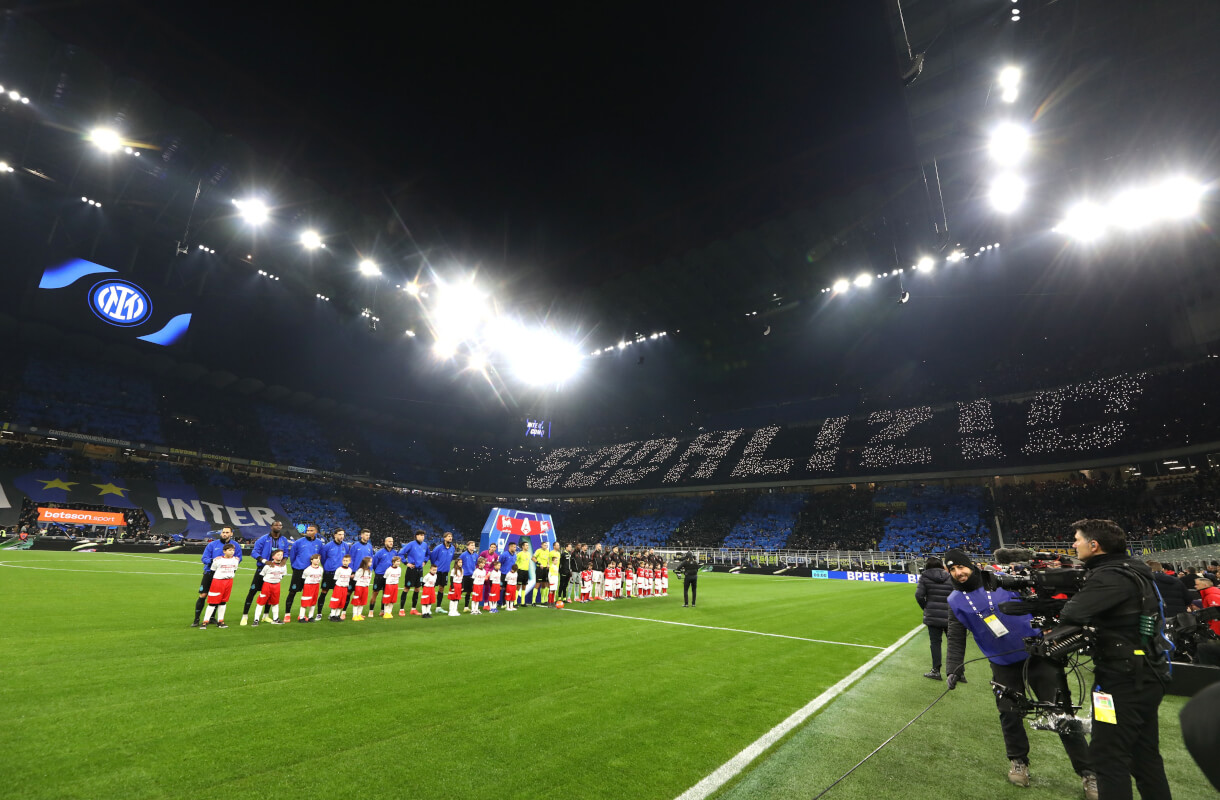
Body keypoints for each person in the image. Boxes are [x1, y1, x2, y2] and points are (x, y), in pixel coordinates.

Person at [943, 548, 1095, 797]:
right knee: (1009, 714)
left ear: (971, 565)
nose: (958, 573)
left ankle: (1089, 773)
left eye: (961, 567)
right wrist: (953, 668)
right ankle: (1018, 762)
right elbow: (956, 635)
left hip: (1038, 656)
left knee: (1061, 713)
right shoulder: (954, 601)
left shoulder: (1003, 579)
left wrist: (1046, 627)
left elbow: (1039, 606)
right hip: (1002, 663)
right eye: (952, 569)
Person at [1060, 520, 1172, 800]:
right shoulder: (1132, 569)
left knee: (1108, 756)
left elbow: (1072, 612)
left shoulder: (1110, 575)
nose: (1074, 544)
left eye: (1077, 539)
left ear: (1094, 545)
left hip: (1122, 680)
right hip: (1145, 673)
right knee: (1144, 756)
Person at [192, 526, 242, 627]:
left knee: (219, 597)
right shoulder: (212, 544)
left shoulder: (236, 546)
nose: (224, 534)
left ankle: (212, 618)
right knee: (203, 595)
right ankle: (196, 619)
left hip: (223, 575)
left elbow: (239, 559)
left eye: (227, 532)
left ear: (231, 534)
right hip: (210, 573)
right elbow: (204, 558)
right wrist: (213, 561)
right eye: (223, 532)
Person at [240, 519, 288, 626]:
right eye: (276, 525)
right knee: (252, 592)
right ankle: (245, 616)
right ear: (271, 527)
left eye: (280, 525)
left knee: (270, 594)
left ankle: (266, 616)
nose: (279, 526)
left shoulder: (284, 540)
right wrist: (265, 561)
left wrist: (284, 561)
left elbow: (286, 553)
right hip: (262, 569)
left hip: (275, 571)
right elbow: (254, 552)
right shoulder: (263, 539)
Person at [915, 556, 954, 680]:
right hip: (949, 615)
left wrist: (926, 607)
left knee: (935, 643)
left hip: (933, 615)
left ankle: (936, 671)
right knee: (954, 644)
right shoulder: (949, 576)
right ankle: (958, 672)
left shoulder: (925, 577)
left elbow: (919, 595)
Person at [284, 524, 323, 621]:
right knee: (292, 592)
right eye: (308, 530)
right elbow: (292, 555)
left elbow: (320, 556)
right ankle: (287, 614)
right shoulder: (299, 542)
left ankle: (303, 615)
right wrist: (295, 567)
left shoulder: (319, 543)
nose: (309, 532)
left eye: (311, 530)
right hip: (299, 570)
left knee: (308, 594)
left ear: (316, 532)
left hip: (311, 572)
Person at [201, 543, 240, 629]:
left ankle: (220, 621)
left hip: (229, 581)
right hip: (218, 581)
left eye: (233, 550)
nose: (232, 552)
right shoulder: (218, 560)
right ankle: (205, 621)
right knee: (212, 602)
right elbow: (212, 570)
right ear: (224, 551)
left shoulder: (235, 560)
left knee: (223, 601)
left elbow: (234, 570)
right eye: (230, 550)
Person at [344, 529, 375, 618]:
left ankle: (358, 613)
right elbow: (351, 559)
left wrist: (370, 571)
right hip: (356, 573)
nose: (367, 537)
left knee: (361, 594)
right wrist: (352, 571)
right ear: (361, 535)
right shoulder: (355, 546)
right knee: (349, 592)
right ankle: (343, 612)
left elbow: (371, 558)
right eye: (366, 535)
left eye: (369, 535)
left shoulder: (369, 546)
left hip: (365, 574)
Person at [253, 548, 288, 626]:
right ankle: (256, 619)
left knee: (275, 602)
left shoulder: (283, 566)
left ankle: (276, 619)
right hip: (267, 585)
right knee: (261, 602)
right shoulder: (268, 566)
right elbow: (262, 575)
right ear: (273, 556)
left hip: (277, 585)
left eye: (281, 555)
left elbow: (282, 575)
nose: (280, 556)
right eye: (278, 554)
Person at [318, 529, 349, 614]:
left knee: (337, 594)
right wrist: (328, 566)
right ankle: (319, 613)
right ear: (335, 535)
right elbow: (323, 559)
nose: (341, 536)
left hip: (340, 574)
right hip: (329, 573)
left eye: (343, 534)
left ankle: (333, 613)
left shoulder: (345, 546)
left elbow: (346, 558)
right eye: (339, 534)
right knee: (324, 592)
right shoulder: (327, 546)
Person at [399, 529, 429, 616]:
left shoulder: (425, 545)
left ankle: (413, 609)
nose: (422, 537)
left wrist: (425, 561)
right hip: (411, 570)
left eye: (423, 535)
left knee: (417, 589)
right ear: (416, 536)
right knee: (406, 588)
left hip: (420, 570)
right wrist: (406, 563)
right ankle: (401, 609)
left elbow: (428, 554)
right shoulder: (411, 544)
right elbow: (401, 553)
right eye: (420, 535)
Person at [368, 536, 396, 614]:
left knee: (386, 594)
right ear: (385, 542)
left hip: (389, 577)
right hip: (380, 576)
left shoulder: (394, 553)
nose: (391, 543)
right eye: (389, 541)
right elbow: (375, 564)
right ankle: (371, 611)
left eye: (392, 541)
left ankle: (382, 611)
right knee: (375, 593)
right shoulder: (379, 552)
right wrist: (378, 571)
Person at [430, 532, 456, 614]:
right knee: (431, 588)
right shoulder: (438, 548)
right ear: (444, 538)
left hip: (445, 572)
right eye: (448, 536)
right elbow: (433, 558)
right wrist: (436, 567)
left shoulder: (452, 548)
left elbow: (451, 559)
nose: (450, 538)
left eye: (451, 536)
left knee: (441, 588)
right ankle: (428, 606)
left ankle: (438, 607)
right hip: (437, 571)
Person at [297, 553, 324, 622]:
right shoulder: (307, 570)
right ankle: (301, 617)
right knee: (305, 601)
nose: (318, 560)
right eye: (316, 559)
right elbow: (303, 578)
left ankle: (310, 616)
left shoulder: (320, 569)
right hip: (308, 586)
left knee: (313, 601)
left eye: (319, 559)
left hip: (316, 585)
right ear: (311, 560)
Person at [328, 554, 353, 622]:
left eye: (346, 561)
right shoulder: (339, 569)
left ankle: (337, 615)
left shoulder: (350, 570)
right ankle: (332, 615)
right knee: (335, 601)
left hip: (345, 588)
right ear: (342, 561)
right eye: (344, 560)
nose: (345, 562)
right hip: (338, 587)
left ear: (349, 561)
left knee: (342, 602)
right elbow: (335, 579)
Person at [350, 556, 373, 621]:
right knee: (356, 601)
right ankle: (354, 615)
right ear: (366, 563)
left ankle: (359, 614)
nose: (371, 563)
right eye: (370, 562)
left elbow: (369, 579)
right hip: (359, 587)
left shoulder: (369, 571)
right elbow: (355, 579)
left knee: (363, 601)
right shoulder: (360, 570)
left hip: (365, 587)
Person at [460, 540, 479, 612]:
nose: (473, 546)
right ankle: (454, 606)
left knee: (469, 591)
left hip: (472, 575)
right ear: (467, 546)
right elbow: (458, 563)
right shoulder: (463, 555)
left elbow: (477, 564)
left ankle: (466, 607)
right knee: (460, 591)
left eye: (474, 545)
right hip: (464, 575)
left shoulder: (476, 555)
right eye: (471, 545)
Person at [498, 542, 516, 610]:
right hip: (503, 574)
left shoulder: (515, 555)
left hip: (511, 575)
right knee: (500, 588)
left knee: (508, 589)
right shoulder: (504, 554)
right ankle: (495, 602)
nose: (515, 548)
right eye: (514, 547)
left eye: (515, 547)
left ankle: (505, 603)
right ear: (510, 547)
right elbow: (500, 563)